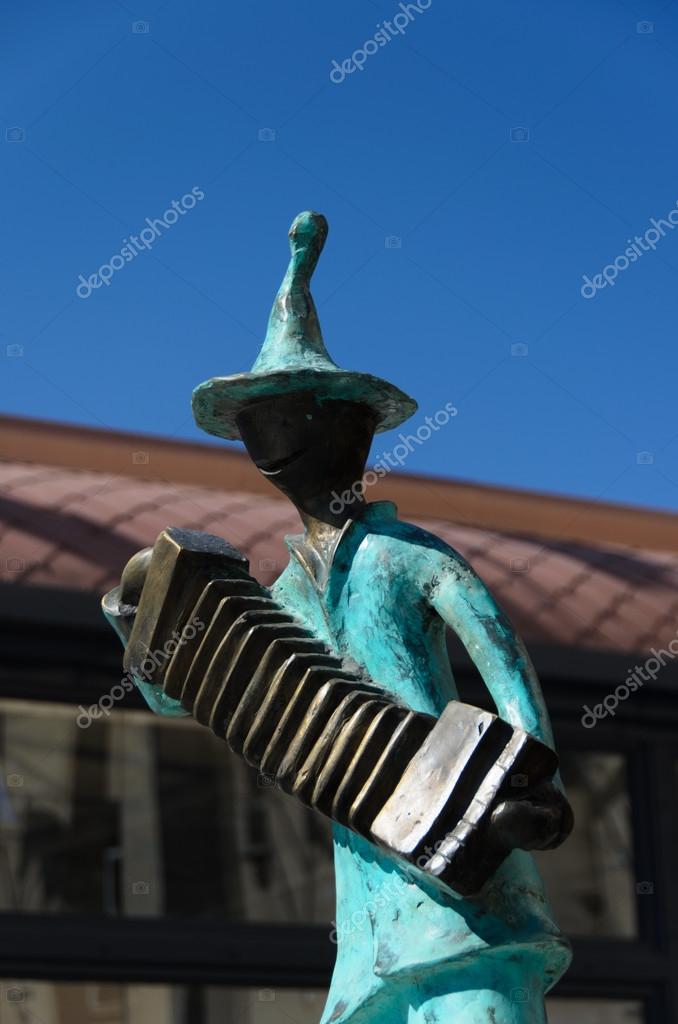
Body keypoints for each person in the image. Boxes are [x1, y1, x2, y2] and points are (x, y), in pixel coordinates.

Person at [112, 211, 573, 1023]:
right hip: (369, 901)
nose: (267, 442)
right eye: (256, 425)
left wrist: (544, 788)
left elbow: (506, 668)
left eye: (286, 417)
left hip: (469, 858)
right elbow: (185, 696)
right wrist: (137, 619)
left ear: (349, 425)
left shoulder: (409, 555)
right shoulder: (283, 596)